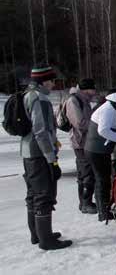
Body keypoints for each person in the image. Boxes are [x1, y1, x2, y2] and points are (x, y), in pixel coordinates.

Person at [21, 64, 72, 250]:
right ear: (44, 81)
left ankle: (38, 234)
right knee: (44, 194)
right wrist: (52, 159)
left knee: (33, 194)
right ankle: (46, 240)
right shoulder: (40, 99)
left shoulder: (27, 94)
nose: (54, 84)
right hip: (40, 155)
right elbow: (41, 131)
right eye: (52, 80)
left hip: (28, 152)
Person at [84, 91, 116, 221]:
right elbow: (103, 130)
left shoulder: (112, 108)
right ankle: (103, 213)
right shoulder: (109, 109)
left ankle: (104, 209)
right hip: (96, 151)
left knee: (103, 180)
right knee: (102, 180)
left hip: (99, 150)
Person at [65, 78, 98, 214]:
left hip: (86, 141)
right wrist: (96, 126)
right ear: (86, 89)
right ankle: (85, 203)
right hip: (80, 142)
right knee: (86, 173)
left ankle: (86, 201)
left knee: (87, 173)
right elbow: (80, 122)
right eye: (93, 89)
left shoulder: (84, 100)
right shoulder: (74, 100)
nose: (95, 91)